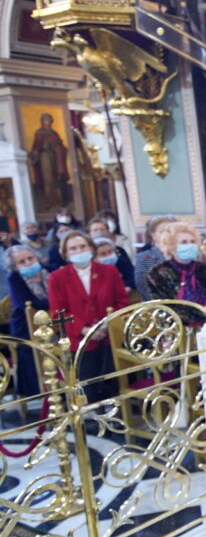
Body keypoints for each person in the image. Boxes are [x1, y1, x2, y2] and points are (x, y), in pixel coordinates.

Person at [47, 231, 129, 402]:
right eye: (73, 248)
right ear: (66, 254)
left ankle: (119, 412)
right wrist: (85, 330)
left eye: (83, 246)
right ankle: (94, 412)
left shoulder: (109, 271)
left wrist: (106, 324)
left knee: (114, 383)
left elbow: (122, 302)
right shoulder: (57, 278)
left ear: (91, 248)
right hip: (80, 339)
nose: (79, 251)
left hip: (109, 335)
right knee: (89, 387)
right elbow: (58, 314)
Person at [146, 222, 206, 326]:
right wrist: (205, 312)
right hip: (177, 329)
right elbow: (166, 308)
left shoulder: (205, 270)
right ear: (171, 247)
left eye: (192, 242)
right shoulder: (157, 274)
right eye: (184, 242)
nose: (190, 246)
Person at [6, 245, 49, 397]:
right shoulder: (14, 279)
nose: (28, 263)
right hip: (26, 326)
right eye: (22, 262)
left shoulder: (49, 271)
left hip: (54, 319)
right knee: (29, 348)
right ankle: (42, 391)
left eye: (30, 258)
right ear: (15, 266)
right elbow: (27, 303)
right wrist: (54, 302)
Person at [28, 115, 69, 210]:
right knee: (47, 180)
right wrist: (35, 154)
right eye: (46, 120)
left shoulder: (54, 133)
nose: (48, 122)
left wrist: (61, 148)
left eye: (49, 120)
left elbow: (60, 145)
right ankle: (48, 201)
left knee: (57, 179)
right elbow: (36, 146)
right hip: (45, 157)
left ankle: (59, 201)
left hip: (56, 159)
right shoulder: (39, 133)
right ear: (42, 121)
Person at [134, 215, 177, 300]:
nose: (167, 235)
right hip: (157, 304)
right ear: (154, 236)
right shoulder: (145, 257)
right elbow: (143, 287)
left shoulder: (184, 254)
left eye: (171, 231)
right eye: (163, 231)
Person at [88, 217, 135, 291]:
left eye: (102, 229)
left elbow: (132, 275)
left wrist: (127, 287)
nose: (99, 232)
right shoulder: (88, 259)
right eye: (95, 230)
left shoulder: (120, 253)